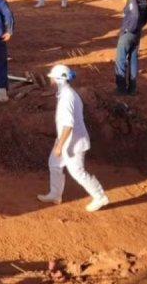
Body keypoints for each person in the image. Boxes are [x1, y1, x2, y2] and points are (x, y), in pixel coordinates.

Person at [37, 64, 109, 212]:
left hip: (72, 142)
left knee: (77, 172)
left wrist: (59, 146)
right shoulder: (65, 93)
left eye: (52, 78)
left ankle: (100, 196)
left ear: (58, 79)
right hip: (66, 139)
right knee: (54, 164)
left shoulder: (67, 97)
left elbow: (68, 124)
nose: (50, 80)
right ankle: (55, 194)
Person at [115, 0, 147, 95]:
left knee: (120, 60)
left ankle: (121, 89)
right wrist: (140, 26)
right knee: (133, 59)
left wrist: (128, 29)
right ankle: (132, 88)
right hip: (137, 33)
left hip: (129, 33)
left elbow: (135, 15)